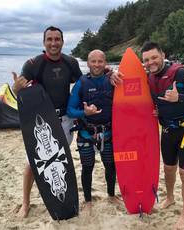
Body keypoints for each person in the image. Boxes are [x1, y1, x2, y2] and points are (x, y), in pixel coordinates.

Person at [12, 26, 83, 218]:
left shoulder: (70, 63)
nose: (53, 43)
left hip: (65, 120)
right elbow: (20, 93)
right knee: (33, 163)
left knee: (62, 160)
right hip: (40, 121)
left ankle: (65, 198)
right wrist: (15, 89)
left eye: (57, 39)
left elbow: (84, 84)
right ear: (44, 42)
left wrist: (106, 71)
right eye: (49, 39)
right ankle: (25, 203)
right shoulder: (33, 64)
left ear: (62, 41)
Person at [140, 41, 184, 230]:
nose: (151, 62)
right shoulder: (149, 78)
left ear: (162, 55)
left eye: (154, 57)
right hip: (167, 130)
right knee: (168, 169)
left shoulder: (180, 73)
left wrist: (180, 98)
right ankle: (170, 197)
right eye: (146, 60)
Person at [67, 49, 121, 214]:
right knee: (87, 167)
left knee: (110, 166)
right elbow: (70, 110)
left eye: (100, 61)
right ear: (88, 63)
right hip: (86, 134)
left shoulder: (113, 80)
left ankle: (111, 195)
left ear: (105, 63)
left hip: (108, 133)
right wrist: (85, 113)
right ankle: (88, 201)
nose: (97, 65)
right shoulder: (81, 83)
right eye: (93, 61)